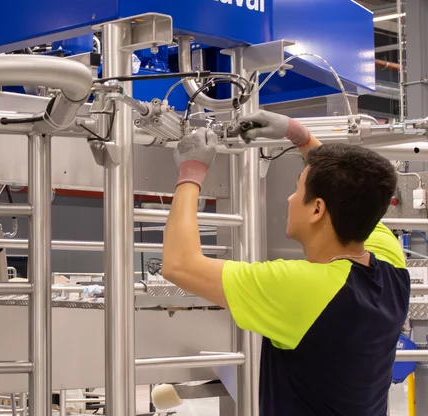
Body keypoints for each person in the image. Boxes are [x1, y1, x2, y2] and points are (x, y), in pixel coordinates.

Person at [162, 110, 411, 416]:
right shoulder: (391, 269)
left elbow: (179, 263)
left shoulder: (304, 289)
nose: (290, 198)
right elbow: (351, 192)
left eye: (297, 188)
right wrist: (300, 136)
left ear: (317, 209)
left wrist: (191, 172)